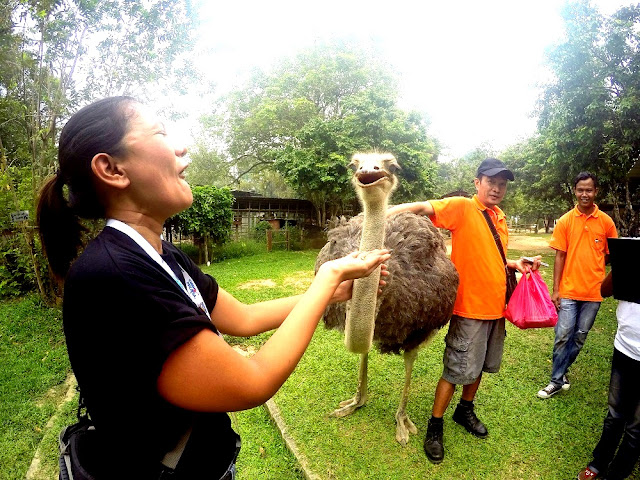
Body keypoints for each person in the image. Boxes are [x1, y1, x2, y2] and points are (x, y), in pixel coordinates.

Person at [37, 96, 390, 479]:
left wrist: (335, 293)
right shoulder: (115, 274)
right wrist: (326, 280)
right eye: (160, 133)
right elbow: (252, 382)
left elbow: (245, 317)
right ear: (112, 168)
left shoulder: (159, 255)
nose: (181, 146)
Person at [386, 157, 541, 464]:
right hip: (469, 309)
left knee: (481, 365)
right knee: (455, 369)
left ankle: (464, 410)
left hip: (496, 308)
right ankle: (435, 425)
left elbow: (492, 255)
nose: (497, 188)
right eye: (491, 182)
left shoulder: (499, 217)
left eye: (502, 184)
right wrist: (378, 215)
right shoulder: (462, 207)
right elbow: (421, 208)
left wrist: (512, 264)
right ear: (478, 183)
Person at [537, 172, 617, 399]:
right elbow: (560, 257)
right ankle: (555, 381)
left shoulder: (606, 222)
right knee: (563, 334)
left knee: (580, 336)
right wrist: (556, 289)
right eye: (581, 190)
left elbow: (611, 255)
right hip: (569, 290)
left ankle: (561, 371)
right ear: (575, 191)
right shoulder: (565, 221)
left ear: (596, 192)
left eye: (589, 190)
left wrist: (597, 269)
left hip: (594, 292)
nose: (585, 194)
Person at [577, 270, 640, 480]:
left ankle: (615, 475)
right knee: (614, 415)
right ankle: (599, 462)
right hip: (625, 347)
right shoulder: (634, 250)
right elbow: (604, 290)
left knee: (636, 427)